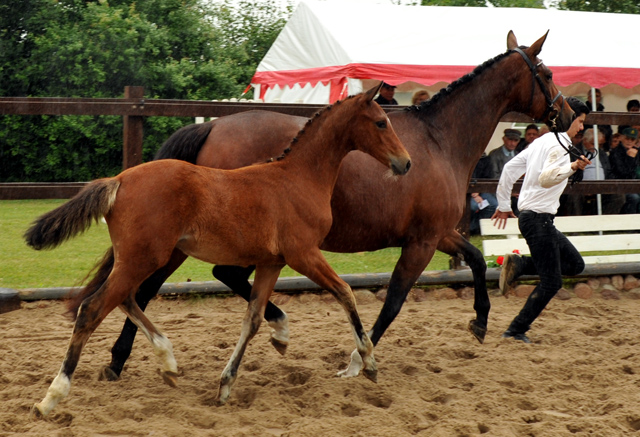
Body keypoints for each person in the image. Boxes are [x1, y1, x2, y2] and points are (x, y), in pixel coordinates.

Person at [491, 97, 592, 343]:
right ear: (569, 118)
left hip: (533, 218)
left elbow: (509, 170)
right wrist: (572, 167)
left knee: (575, 264)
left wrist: (504, 204)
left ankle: (521, 265)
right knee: (551, 282)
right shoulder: (560, 145)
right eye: (580, 122)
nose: (581, 128)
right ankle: (515, 330)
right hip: (538, 220)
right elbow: (547, 178)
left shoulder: (541, 141)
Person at [489, 128, 521, 213]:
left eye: (515, 140)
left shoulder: (519, 155)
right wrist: (509, 191)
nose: (512, 143)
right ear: (504, 139)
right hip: (498, 190)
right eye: (510, 140)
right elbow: (494, 176)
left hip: (516, 191)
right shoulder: (494, 154)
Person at [609, 127, 640, 213]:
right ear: (621, 138)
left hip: (635, 184)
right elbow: (624, 173)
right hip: (620, 185)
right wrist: (630, 158)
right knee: (634, 198)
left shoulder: (637, 152)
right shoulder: (615, 153)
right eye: (627, 138)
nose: (629, 141)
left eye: (632, 139)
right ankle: (631, 223)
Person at [469, 153, 498, 235]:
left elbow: (488, 177)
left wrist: (478, 191)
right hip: (466, 191)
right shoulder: (464, 157)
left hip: (480, 190)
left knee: (494, 205)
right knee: (473, 206)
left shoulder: (485, 159)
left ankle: (476, 228)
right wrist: (473, 192)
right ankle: (470, 229)